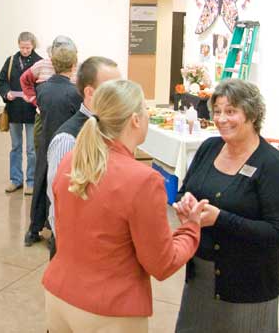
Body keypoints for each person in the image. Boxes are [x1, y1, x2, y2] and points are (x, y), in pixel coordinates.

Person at [42, 79, 207, 332]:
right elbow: (162, 264)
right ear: (135, 120)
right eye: (145, 110)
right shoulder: (142, 180)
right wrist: (190, 228)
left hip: (58, 296)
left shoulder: (71, 160)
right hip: (109, 308)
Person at [174, 79, 279, 333]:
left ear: (251, 115)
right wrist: (185, 203)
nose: (221, 119)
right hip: (201, 279)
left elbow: (278, 235)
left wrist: (220, 219)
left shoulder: (271, 165)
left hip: (248, 286)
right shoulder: (209, 148)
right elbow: (186, 190)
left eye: (231, 111)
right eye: (217, 111)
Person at [45, 56, 120, 256]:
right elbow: (58, 201)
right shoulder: (67, 139)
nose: (120, 95)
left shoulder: (114, 131)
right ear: (89, 92)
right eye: (112, 88)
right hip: (75, 252)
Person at [24, 47, 82, 247]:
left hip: (45, 140)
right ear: (73, 66)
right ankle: (55, 232)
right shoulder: (75, 93)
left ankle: (33, 229)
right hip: (65, 146)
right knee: (59, 187)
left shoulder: (43, 90)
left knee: (40, 183)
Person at [0, 31, 43, 194]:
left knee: (31, 149)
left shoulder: (39, 62)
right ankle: (15, 180)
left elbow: (43, 85)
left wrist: (34, 97)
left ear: (33, 46)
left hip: (31, 111)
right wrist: (6, 93)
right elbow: (1, 81)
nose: (24, 50)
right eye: (22, 47)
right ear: (18, 45)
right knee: (15, 146)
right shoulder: (11, 61)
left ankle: (31, 181)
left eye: (28, 48)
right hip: (14, 109)